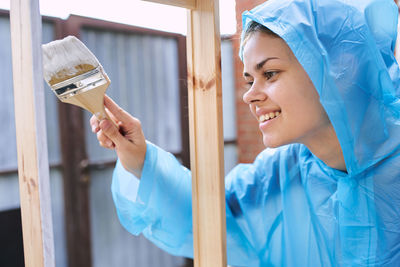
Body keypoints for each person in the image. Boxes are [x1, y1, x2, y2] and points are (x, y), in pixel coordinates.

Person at [90, 0, 400, 265]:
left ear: (336, 68)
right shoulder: (280, 173)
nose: (249, 95)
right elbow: (209, 218)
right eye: (249, 79)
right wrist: (139, 161)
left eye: (270, 73)